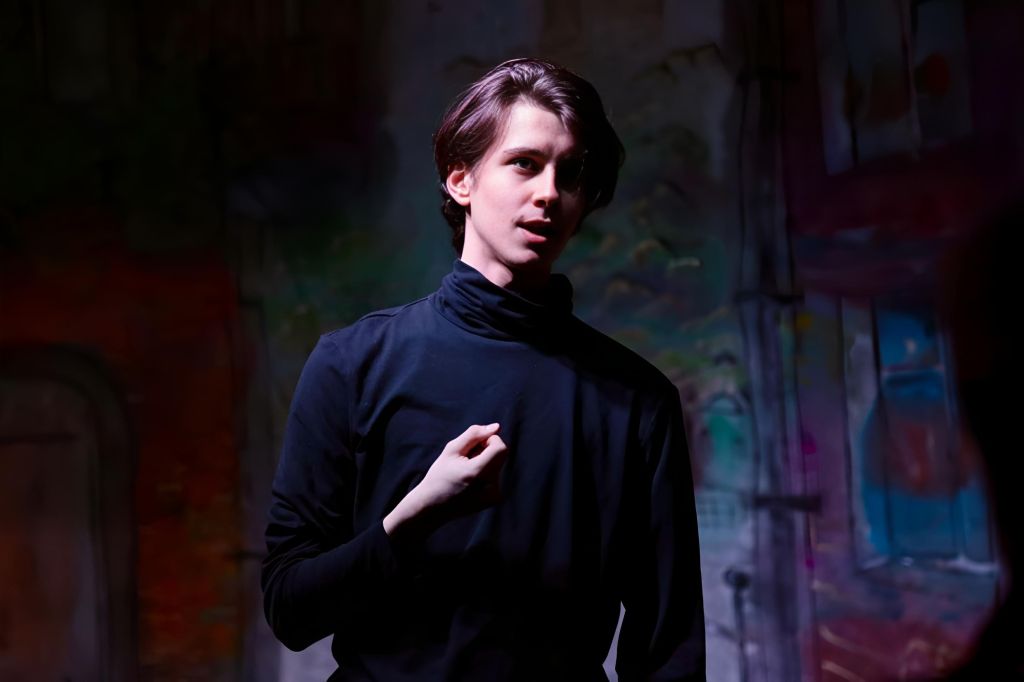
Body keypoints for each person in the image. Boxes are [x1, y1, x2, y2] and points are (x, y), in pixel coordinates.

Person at [261, 57, 706, 681]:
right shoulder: (351, 364)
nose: (549, 192)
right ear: (461, 181)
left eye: (571, 173)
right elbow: (290, 609)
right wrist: (415, 516)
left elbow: (668, 651)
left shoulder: (635, 399)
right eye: (524, 163)